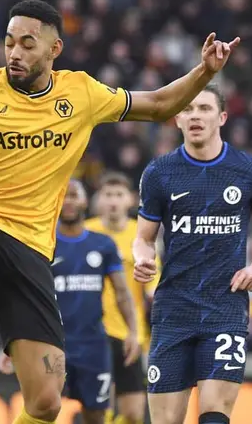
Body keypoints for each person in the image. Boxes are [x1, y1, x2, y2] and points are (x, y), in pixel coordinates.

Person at [0, 0, 239, 423]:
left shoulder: (83, 94)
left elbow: (160, 105)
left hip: (31, 257)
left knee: (46, 403)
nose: (14, 53)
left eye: (27, 44)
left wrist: (205, 71)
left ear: (54, 50)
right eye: (8, 43)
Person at [133, 85, 252, 424]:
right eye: (188, 109)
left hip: (225, 307)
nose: (195, 115)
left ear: (221, 117)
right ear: (177, 118)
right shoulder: (159, 174)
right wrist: (142, 257)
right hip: (173, 310)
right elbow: (143, 238)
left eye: (205, 109)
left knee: (214, 416)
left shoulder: (251, 171)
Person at [0, 179, 140, 424]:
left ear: (86, 201)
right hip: (52, 345)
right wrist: (13, 341)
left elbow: (121, 291)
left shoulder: (103, 244)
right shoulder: (42, 243)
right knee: (44, 410)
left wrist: (133, 331)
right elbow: (22, 295)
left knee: (97, 416)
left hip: (94, 345)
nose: (69, 202)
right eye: (63, 196)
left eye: (74, 195)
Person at [85, 172, 155, 424]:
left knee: (134, 414)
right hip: (93, 332)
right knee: (97, 408)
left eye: (118, 194)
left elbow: (153, 287)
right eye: (108, 195)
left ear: (131, 200)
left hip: (130, 334)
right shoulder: (85, 232)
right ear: (97, 201)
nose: (113, 201)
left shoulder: (143, 235)